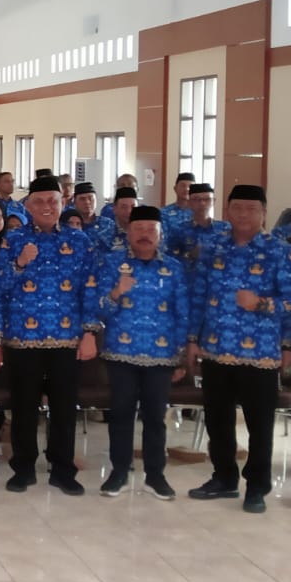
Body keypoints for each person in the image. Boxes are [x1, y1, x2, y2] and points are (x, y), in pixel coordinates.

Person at [186, 185, 291, 514]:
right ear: (227, 211)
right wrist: (192, 339)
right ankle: (224, 477)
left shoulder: (279, 251)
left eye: (252, 209)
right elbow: (198, 296)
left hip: (260, 353)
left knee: (259, 425)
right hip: (216, 348)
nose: (243, 214)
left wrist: (263, 304)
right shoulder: (213, 248)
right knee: (218, 420)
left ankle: (257, 486)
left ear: (264, 213)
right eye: (237, 208)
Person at [0, 174, 100, 495]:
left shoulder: (80, 241)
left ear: (63, 202)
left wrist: (90, 332)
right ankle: (23, 468)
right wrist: (19, 264)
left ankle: (62, 469)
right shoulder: (14, 240)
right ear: (28, 206)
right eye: (39, 201)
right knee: (24, 407)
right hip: (22, 338)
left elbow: (90, 289)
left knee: (64, 407)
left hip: (67, 338)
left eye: (53, 200)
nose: (47, 206)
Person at [87, 205, 190, 499]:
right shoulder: (111, 264)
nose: (144, 235)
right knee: (120, 414)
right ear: (128, 232)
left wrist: (182, 356)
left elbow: (183, 313)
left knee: (155, 417)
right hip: (121, 353)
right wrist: (116, 292)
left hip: (162, 355)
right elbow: (97, 309)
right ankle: (119, 472)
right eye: (139, 229)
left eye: (150, 230)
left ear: (160, 234)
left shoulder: (174, 268)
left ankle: (155, 476)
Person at [167, 183, 230, 264]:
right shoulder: (178, 230)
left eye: (207, 199)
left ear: (213, 201)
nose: (202, 203)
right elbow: (169, 260)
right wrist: (190, 255)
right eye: (196, 199)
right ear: (189, 202)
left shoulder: (225, 228)